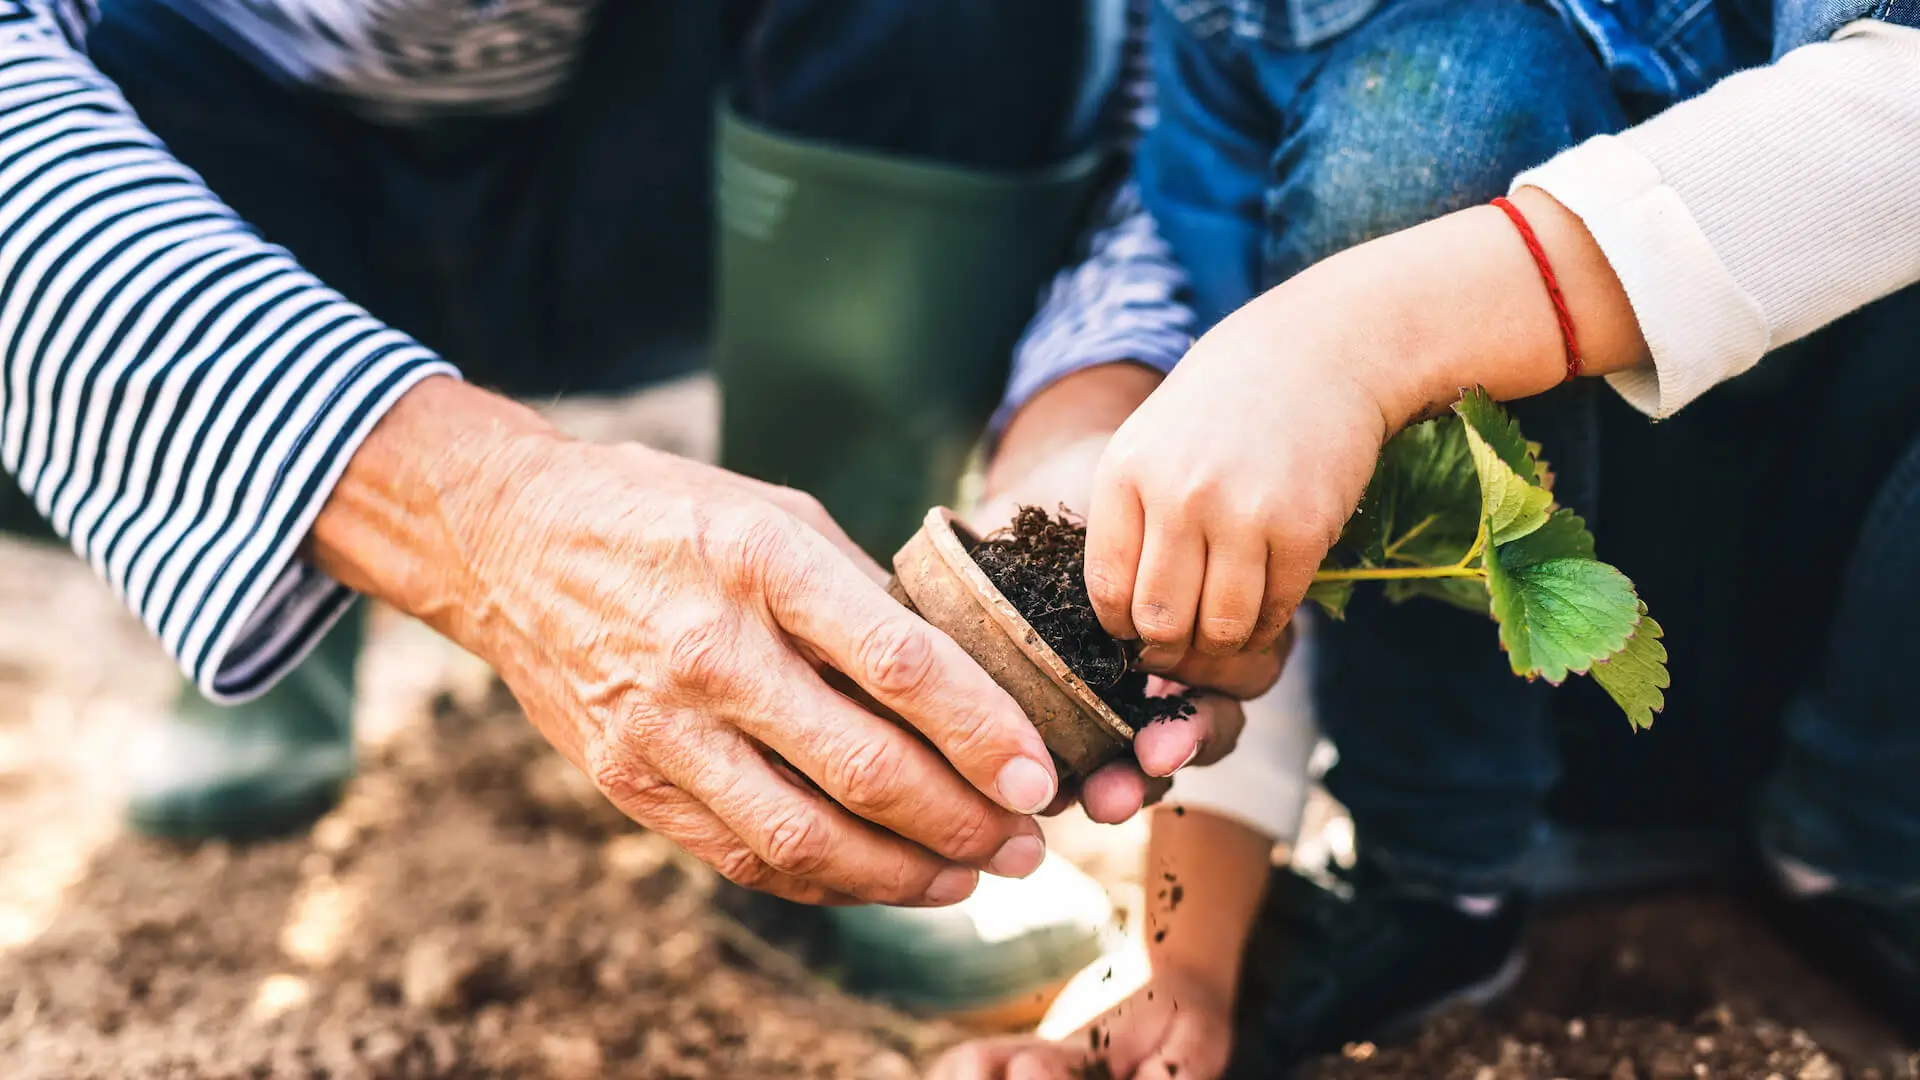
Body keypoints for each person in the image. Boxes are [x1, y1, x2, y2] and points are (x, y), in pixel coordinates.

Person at [0, 0, 1244, 910]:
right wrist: (475, 514)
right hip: (200, 133)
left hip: (678, 150)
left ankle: (843, 709)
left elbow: (1185, 68)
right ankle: (278, 606)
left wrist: (1091, 402)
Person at [933, 0, 1920, 1074]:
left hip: (1853, 568)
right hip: (1497, 714)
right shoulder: (1226, 32)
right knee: (1425, 109)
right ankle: (1439, 877)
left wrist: (1365, 334)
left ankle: (1868, 845)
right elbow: (1239, 462)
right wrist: (1187, 958)